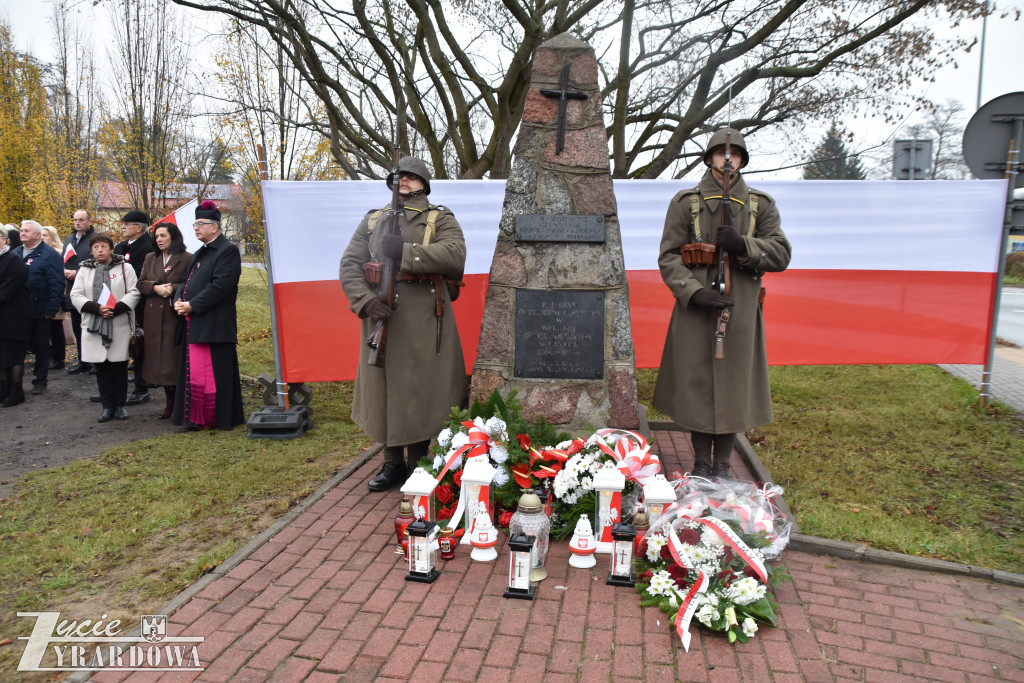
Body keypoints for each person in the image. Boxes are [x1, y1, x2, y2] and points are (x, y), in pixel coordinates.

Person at [653, 128, 792, 478]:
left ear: (743, 160)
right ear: (709, 158)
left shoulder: (761, 205)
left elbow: (780, 253)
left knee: (733, 384)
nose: (727, 161)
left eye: (734, 155)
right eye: (720, 154)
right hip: (696, 310)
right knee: (697, 384)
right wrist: (693, 292)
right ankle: (700, 462)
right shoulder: (686, 203)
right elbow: (669, 256)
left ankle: (724, 465)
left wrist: (744, 245)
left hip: (740, 308)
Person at [339, 156, 468, 492]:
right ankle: (392, 462)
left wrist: (407, 251)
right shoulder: (373, 220)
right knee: (384, 388)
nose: (405, 181)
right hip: (382, 315)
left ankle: (418, 462)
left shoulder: (439, 217)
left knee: (422, 389)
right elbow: (350, 264)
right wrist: (366, 302)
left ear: (424, 183)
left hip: (424, 316)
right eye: (399, 177)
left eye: (411, 177)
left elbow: (455, 254)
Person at [171, 201, 244, 431]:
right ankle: (196, 417)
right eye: (194, 224)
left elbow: (221, 286)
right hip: (196, 322)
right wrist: (179, 300)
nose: (196, 228)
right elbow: (186, 281)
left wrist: (192, 305)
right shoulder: (200, 253)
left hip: (215, 324)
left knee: (214, 373)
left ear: (215, 227)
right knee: (195, 372)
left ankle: (215, 417)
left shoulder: (227, 251)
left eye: (200, 224)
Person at [70, 233, 140, 422]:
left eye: (103, 246)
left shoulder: (126, 267)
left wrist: (114, 309)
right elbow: (75, 294)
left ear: (111, 248)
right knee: (101, 367)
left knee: (119, 366)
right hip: (94, 323)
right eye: (95, 247)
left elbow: (134, 292)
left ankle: (120, 405)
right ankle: (107, 406)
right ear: (91, 250)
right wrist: (97, 309)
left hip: (118, 323)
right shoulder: (84, 270)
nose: (99, 250)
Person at [137, 222, 191, 419]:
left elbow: (190, 282)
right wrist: (155, 287)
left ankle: (178, 402)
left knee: (172, 359)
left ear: (173, 237)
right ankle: (168, 401)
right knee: (158, 361)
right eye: (157, 236)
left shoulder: (186, 258)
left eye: (163, 236)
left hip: (173, 315)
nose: (159, 240)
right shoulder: (151, 258)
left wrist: (174, 288)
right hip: (153, 316)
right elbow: (141, 283)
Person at [15, 220, 65, 396]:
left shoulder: (49, 255)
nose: (22, 233)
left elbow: (57, 282)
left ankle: (40, 380)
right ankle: (15, 382)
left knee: (41, 346)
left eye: (26, 231)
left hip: (40, 309)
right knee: (18, 347)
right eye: (21, 230)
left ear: (37, 235)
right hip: (18, 311)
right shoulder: (16, 253)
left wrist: (51, 309)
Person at [114, 210, 155, 405]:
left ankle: (142, 387)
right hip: (119, 302)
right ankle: (115, 390)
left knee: (139, 345)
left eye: (126, 223)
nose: (122, 226)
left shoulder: (146, 247)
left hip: (138, 304)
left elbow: (139, 277)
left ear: (138, 227)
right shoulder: (122, 246)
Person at [0, 226, 32, 407]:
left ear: (5, 239)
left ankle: (16, 391)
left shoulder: (14, 260)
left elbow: (9, 286)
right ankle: (4, 389)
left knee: (13, 356)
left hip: (14, 316)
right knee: (1, 356)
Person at [63, 209, 97, 375]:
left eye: (81, 220)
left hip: (89, 288)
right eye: (75, 220)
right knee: (77, 325)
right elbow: (65, 258)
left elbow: (97, 260)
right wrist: (65, 271)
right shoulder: (69, 239)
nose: (77, 223)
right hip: (72, 288)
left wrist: (78, 272)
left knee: (90, 326)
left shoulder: (95, 239)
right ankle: (83, 359)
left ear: (89, 221)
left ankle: (96, 361)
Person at [41, 226, 68, 370]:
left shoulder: (56, 252)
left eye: (45, 235)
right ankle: (51, 355)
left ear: (52, 236)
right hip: (44, 295)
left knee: (55, 327)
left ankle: (58, 357)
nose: (42, 238)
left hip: (54, 294)